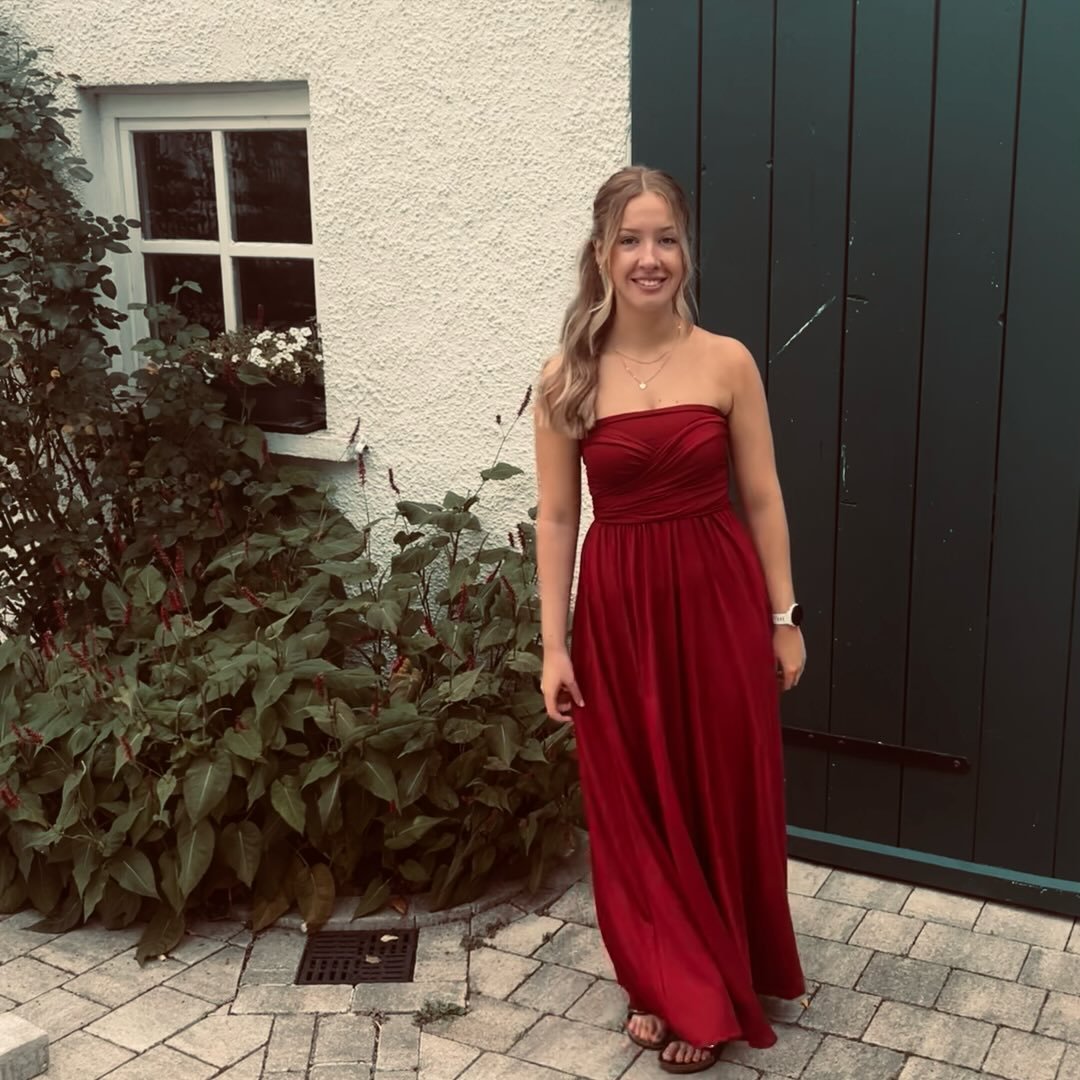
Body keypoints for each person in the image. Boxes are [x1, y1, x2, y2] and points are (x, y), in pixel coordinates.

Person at [533, 166, 806, 1074]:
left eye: (666, 239)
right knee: (636, 795)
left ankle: (724, 971)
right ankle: (664, 979)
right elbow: (558, 518)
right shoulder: (567, 375)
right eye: (630, 239)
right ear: (601, 253)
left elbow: (763, 497)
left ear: (685, 251)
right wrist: (553, 645)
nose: (650, 257)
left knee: (718, 784)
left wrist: (783, 616)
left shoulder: (727, 361)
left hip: (719, 603)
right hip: (620, 615)